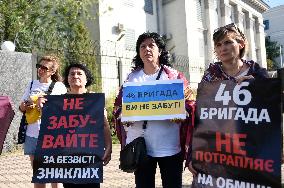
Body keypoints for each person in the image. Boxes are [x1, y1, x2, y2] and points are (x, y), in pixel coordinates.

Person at [113, 32, 196, 188]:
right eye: (142, 46)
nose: (147, 49)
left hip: (170, 146)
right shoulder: (131, 79)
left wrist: (182, 113)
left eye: (151, 45)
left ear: (160, 50)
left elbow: (190, 104)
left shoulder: (174, 76)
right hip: (141, 147)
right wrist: (124, 116)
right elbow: (118, 108)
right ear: (138, 52)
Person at [187, 23, 269, 177]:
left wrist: (258, 88)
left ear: (241, 44)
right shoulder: (210, 76)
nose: (222, 48)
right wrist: (193, 155)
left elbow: (273, 111)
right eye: (218, 44)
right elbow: (201, 119)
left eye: (228, 42)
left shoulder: (258, 73)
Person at [56, 63, 112, 188]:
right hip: (68, 157)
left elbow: (104, 125)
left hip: (91, 156)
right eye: (72, 73)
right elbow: (52, 127)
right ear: (67, 79)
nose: (75, 76)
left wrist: (109, 146)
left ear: (87, 79)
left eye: (79, 73)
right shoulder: (59, 102)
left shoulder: (95, 100)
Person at [19, 55, 67, 188]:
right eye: (39, 66)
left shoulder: (59, 87)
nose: (40, 69)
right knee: (38, 174)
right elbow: (21, 107)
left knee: (54, 175)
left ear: (52, 71)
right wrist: (27, 105)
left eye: (44, 68)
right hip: (32, 134)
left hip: (52, 136)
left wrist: (45, 103)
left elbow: (63, 110)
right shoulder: (31, 84)